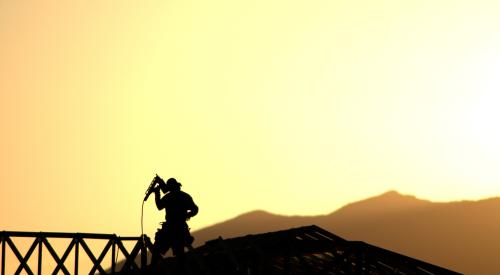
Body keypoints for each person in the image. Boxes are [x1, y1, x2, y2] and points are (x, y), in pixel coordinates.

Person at [151, 176, 198, 266]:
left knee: (159, 251)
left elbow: (159, 206)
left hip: (172, 228)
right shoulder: (184, 196)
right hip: (176, 227)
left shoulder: (170, 197)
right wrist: (187, 215)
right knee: (179, 254)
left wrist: (157, 193)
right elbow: (195, 209)